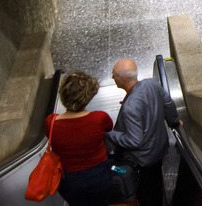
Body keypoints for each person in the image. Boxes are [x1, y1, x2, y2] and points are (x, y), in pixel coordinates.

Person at [106, 59, 180, 206]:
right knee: (156, 187)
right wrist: (174, 121)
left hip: (142, 161)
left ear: (123, 79)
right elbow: (168, 104)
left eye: (114, 74)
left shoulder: (131, 106)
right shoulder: (151, 84)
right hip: (158, 151)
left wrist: (110, 133)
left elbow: (134, 141)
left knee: (147, 194)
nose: (112, 77)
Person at [45, 72, 113, 206]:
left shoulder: (50, 122)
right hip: (98, 174)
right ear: (88, 97)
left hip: (67, 178)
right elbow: (109, 128)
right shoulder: (99, 118)